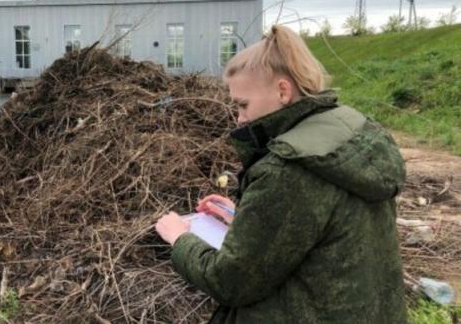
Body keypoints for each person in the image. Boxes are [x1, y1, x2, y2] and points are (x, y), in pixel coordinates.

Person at [155, 25, 407, 323]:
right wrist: (247, 219)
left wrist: (180, 238)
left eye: (243, 105)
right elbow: (324, 227)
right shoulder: (351, 135)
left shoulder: (287, 168)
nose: (240, 118)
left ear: (283, 91)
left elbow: (230, 282)